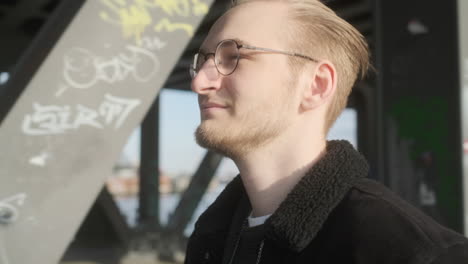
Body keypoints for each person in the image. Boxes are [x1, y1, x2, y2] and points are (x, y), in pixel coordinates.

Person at [185, 0, 468, 263]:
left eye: (233, 55)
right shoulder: (211, 238)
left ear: (316, 85)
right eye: (202, 61)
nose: (199, 82)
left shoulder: (413, 254)